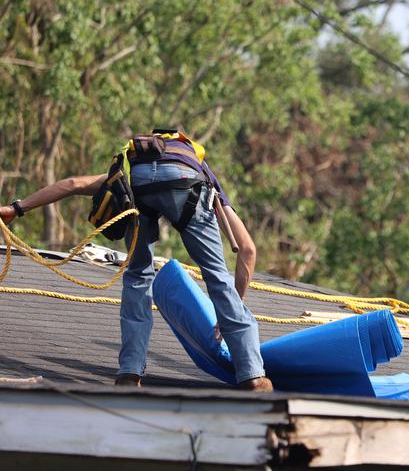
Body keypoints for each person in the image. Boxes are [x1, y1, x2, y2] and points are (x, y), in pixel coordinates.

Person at [1, 129, 273, 392]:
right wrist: (229, 313)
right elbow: (247, 250)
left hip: (137, 187)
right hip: (187, 184)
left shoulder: (132, 167)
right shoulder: (202, 173)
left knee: (138, 277)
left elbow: (73, 185)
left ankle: (129, 373)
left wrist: (16, 209)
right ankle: (253, 375)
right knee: (216, 276)